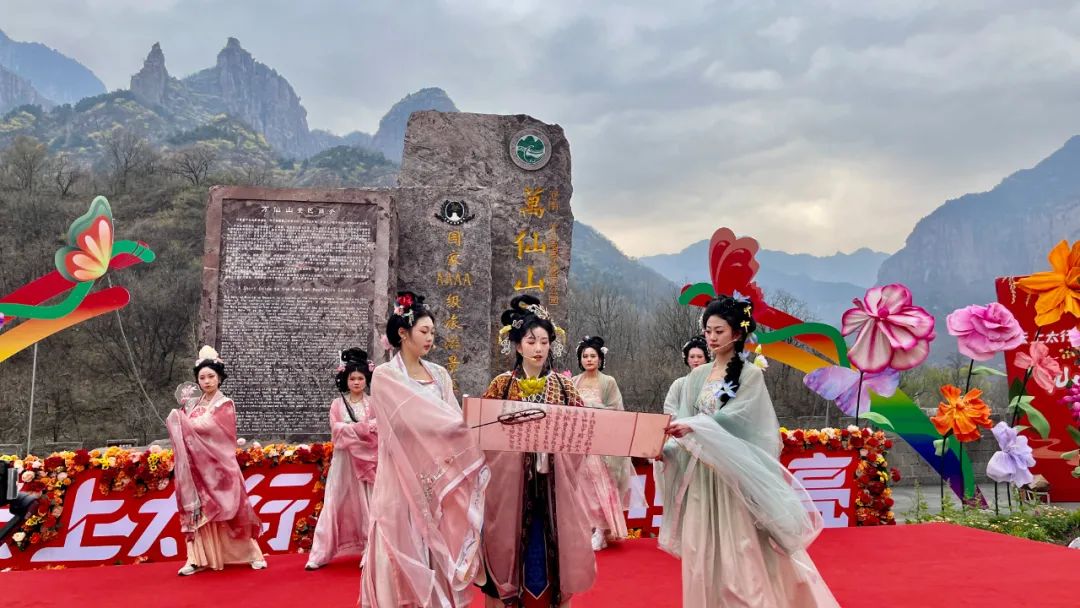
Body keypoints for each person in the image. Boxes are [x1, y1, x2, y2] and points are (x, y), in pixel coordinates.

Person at [659, 297, 839, 607]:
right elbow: (684, 420)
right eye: (708, 331)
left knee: (740, 554)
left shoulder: (749, 375)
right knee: (701, 553)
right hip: (702, 478)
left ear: (737, 334)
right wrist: (666, 447)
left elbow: (749, 425)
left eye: (718, 331)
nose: (712, 337)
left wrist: (697, 427)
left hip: (732, 481)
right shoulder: (695, 378)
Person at [360, 292, 489, 607]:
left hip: (436, 477)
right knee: (401, 541)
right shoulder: (385, 377)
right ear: (403, 333)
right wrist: (460, 427)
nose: (430, 337)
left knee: (435, 545)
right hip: (400, 478)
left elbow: (453, 422)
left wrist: (476, 428)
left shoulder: (440, 374)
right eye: (424, 331)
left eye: (433, 332)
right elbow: (412, 423)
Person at [479, 295, 595, 608]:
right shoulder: (501, 386)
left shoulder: (564, 386)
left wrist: (554, 450)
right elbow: (483, 437)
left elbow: (583, 433)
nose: (539, 348)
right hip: (510, 491)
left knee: (553, 553)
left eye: (544, 341)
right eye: (531, 341)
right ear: (517, 346)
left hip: (551, 487)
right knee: (504, 548)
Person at [167, 346, 265, 576]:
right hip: (197, 470)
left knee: (232, 513)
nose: (207, 381)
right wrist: (180, 419)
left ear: (219, 377)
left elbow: (212, 428)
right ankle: (196, 558)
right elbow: (188, 431)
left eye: (211, 376)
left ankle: (251, 554)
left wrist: (181, 421)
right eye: (202, 377)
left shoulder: (225, 404)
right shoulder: (192, 405)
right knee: (200, 516)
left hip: (220, 469)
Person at [305, 348, 379, 570]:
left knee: (367, 504)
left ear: (366, 380)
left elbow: (376, 430)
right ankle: (321, 552)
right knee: (335, 501)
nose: (356, 382)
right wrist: (360, 429)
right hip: (343, 460)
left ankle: (369, 549)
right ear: (345, 380)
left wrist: (351, 429)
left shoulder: (373, 403)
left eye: (360, 378)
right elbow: (336, 432)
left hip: (366, 461)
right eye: (352, 378)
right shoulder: (337, 404)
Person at [571, 336, 632, 551]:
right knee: (582, 486)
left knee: (601, 485)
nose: (589, 360)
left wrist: (591, 406)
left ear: (600, 359)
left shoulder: (608, 382)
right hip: (580, 441)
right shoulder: (574, 382)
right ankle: (587, 527)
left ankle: (601, 529)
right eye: (585, 356)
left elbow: (617, 410)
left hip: (601, 441)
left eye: (592, 356)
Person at [663, 336, 711, 415]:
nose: (696, 360)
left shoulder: (713, 383)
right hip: (680, 425)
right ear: (687, 359)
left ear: (706, 358)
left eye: (699, 356)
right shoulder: (679, 384)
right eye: (692, 357)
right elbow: (669, 408)